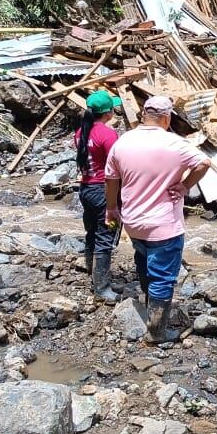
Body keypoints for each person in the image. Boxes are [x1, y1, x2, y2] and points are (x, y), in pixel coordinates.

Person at [105, 96, 210, 343]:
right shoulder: (175, 143)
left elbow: (111, 179)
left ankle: (150, 305)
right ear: (167, 117)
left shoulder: (123, 142)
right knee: (163, 275)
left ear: (143, 115)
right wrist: (184, 186)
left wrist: (111, 208)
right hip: (164, 224)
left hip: (133, 221)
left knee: (143, 259)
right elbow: (204, 163)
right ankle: (157, 332)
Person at [75, 90, 123, 303]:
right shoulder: (107, 134)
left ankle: (91, 272)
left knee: (92, 232)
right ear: (108, 113)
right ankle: (102, 288)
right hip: (104, 192)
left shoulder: (81, 132)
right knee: (106, 236)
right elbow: (118, 165)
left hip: (85, 189)